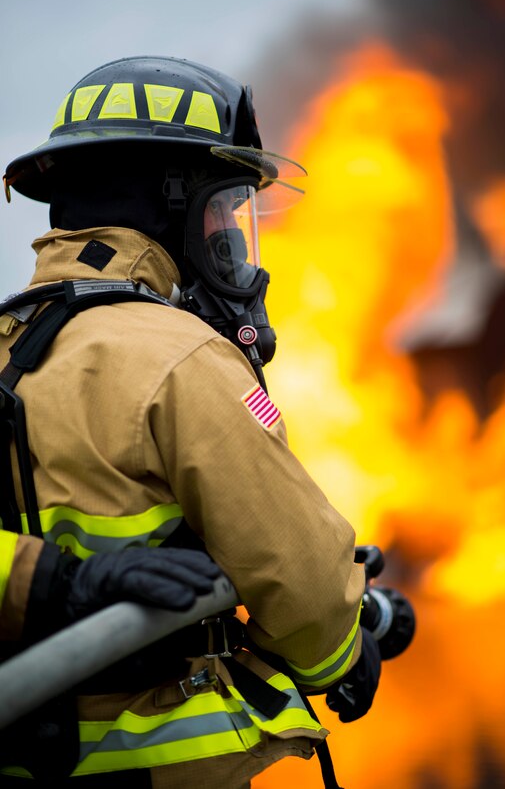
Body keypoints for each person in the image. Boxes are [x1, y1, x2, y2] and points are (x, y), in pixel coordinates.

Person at [0, 56, 381, 789]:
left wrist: (56, 584)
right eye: (223, 208)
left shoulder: (9, 346)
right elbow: (298, 577)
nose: (230, 234)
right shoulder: (182, 355)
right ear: (168, 202)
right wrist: (346, 650)